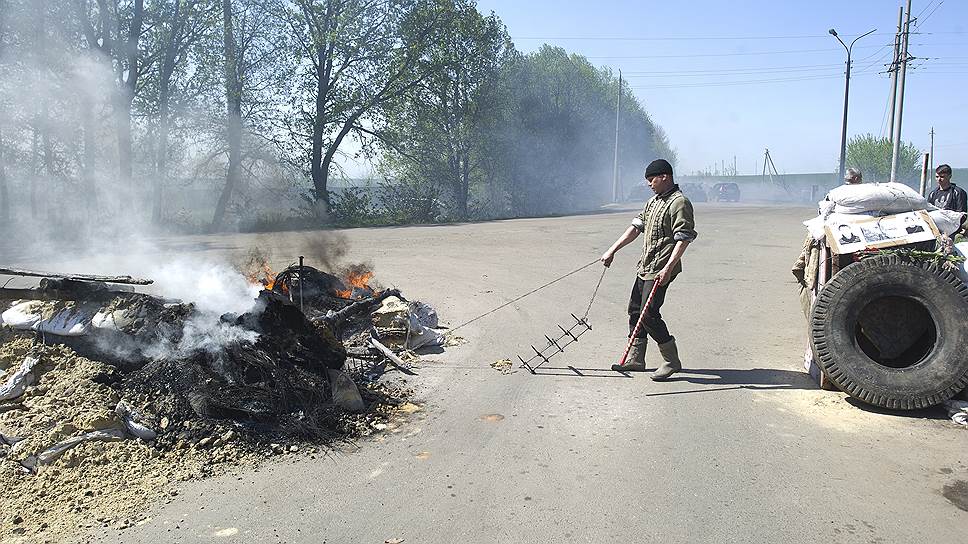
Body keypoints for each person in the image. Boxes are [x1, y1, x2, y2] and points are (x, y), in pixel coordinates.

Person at [600, 159, 697, 380]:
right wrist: (612, 250)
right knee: (636, 310)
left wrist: (668, 268)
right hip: (645, 266)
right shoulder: (653, 202)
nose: (648, 184)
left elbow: (683, 239)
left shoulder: (679, 203)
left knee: (649, 314)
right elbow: (635, 229)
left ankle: (672, 361)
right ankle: (636, 358)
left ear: (665, 177)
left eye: (651, 179)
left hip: (662, 268)